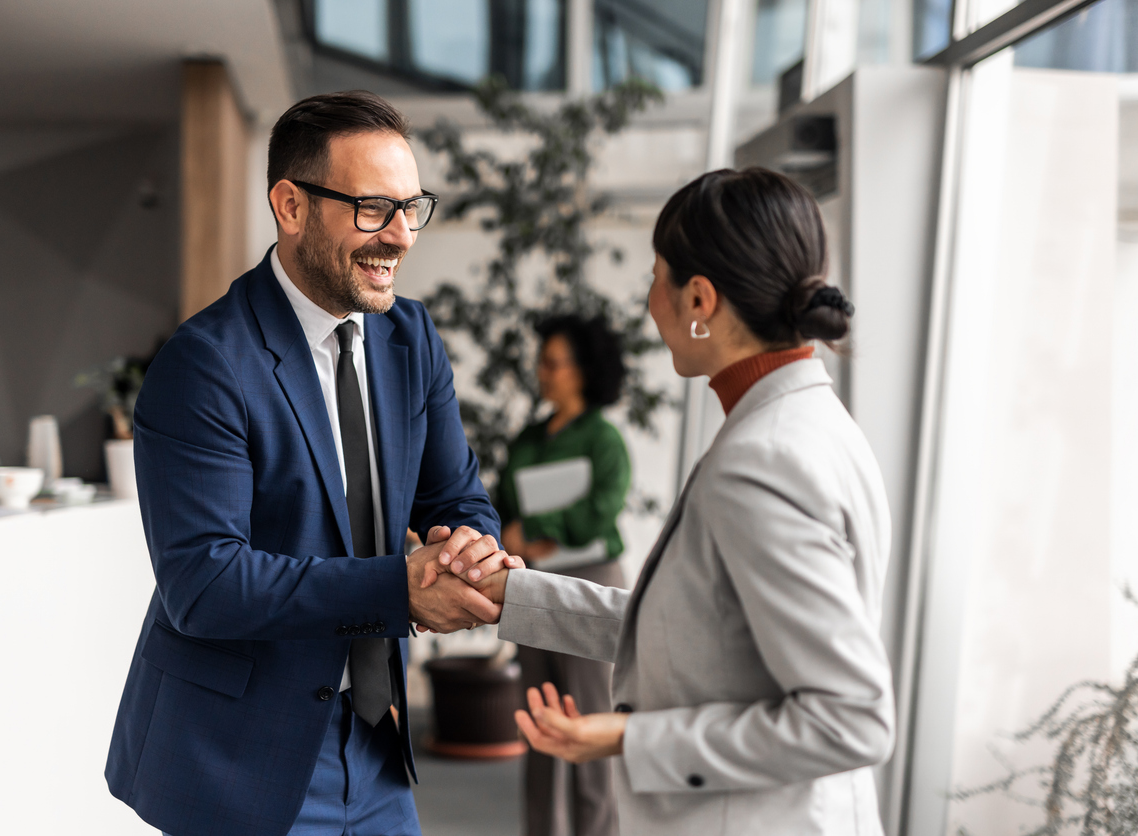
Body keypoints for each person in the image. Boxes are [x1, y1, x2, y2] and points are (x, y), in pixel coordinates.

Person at [430, 167, 895, 834]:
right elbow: (695, 634)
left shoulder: (762, 461)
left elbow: (848, 718)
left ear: (699, 298)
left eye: (657, 276)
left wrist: (627, 738)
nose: (650, 300)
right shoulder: (811, 425)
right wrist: (514, 594)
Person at [105, 91, 516, 836]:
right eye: (371, 209)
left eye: (411, 207)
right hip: (238, 756)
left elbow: (455, 495)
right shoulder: (204, 364)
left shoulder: (410, 338)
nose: (400, 236)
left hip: (375, 735)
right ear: (290, 206)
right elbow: (205, 583)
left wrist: (465, 548)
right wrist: (401, 588)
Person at [493, 314, 630, 836]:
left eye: (553, 363)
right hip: (535, 585)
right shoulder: (528, 439)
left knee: (590, 722)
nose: (541, 372)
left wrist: (537, 527)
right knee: (540, 721)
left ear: (582, 371)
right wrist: (512, 533)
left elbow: (601, 510)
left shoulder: (604, 439)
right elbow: (502, 505)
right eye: (542, 361)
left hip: (593, 582)